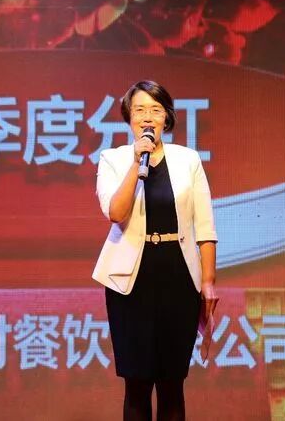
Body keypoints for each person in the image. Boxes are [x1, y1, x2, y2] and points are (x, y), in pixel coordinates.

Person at [93, 80, 218, 421]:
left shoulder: (188, 160)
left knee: (172, 383)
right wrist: (136, 164)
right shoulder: (112, 159)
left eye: (155, 110)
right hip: (130, 283)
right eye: (140, 110)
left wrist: (208, 282)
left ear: (167, 117)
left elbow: (205, 227)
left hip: (179, 278)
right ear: (129, 117)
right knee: (136, 384)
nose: (147, 117)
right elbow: (116, 213)